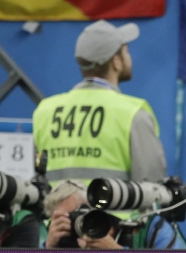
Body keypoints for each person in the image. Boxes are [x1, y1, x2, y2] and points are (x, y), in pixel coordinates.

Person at [32, 19, 166, 187]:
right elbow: (151, 188)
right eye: (126, 51)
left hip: (58, 214)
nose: (129, 57)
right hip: (116, 214)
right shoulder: (132, 113)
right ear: (116, 62)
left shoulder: (45, 111)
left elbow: (39, 181)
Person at [42, 180, 186, 249]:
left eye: (82, 214)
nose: (80, 225)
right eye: (67, 220)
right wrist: (48, 249)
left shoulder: (149, 229)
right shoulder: (59, 242)